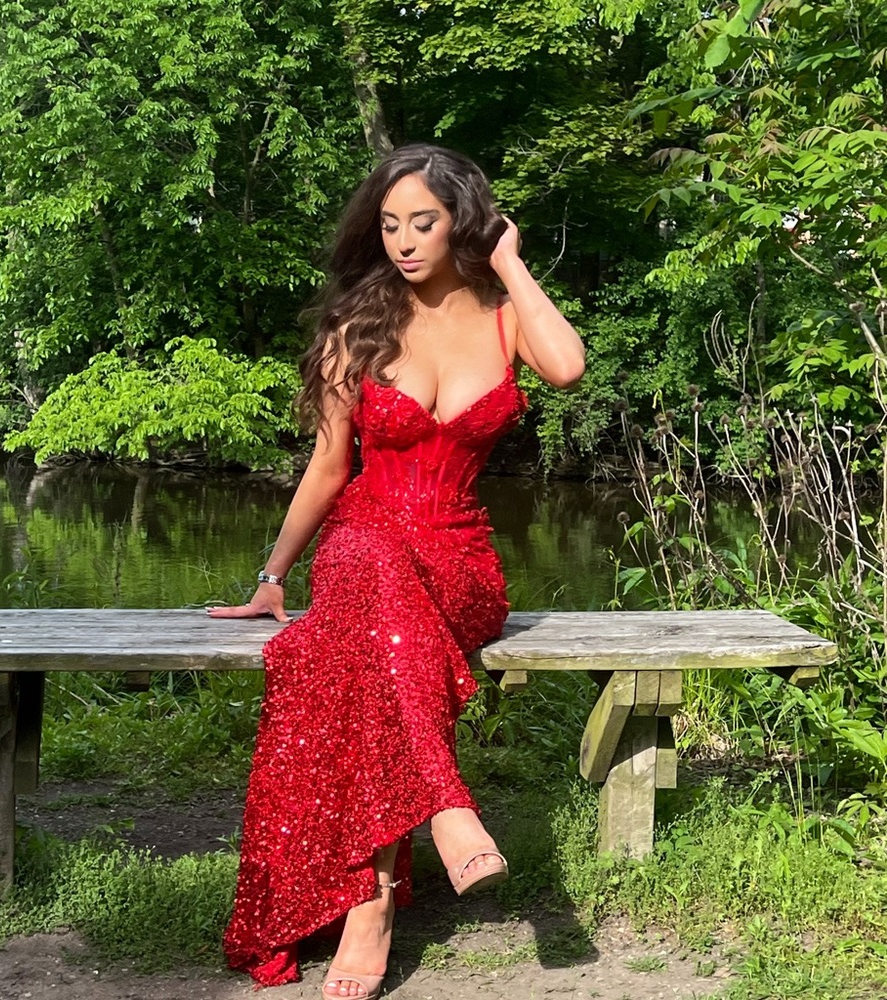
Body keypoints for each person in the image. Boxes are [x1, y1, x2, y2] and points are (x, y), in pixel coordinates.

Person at [208, 143, 585, 998]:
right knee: (372, 573)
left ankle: (388, 880)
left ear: (463, 222)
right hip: (360, 541)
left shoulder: (503, 317)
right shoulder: (360, 325)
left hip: (459, 559)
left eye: (424, 221)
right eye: (389, 225)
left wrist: (513, 263)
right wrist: (273, 576)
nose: (405, 241)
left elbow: (567, 366)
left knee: (374, 641)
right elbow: (330, 468)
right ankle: (401, 865)